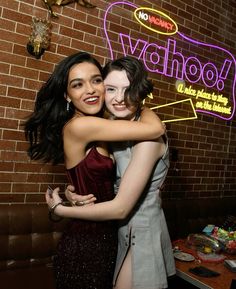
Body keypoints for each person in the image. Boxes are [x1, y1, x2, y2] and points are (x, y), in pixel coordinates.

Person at [24, 52, 165, 289]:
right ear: (67, 95)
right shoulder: (81, 126)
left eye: (96, 80)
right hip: (85, 244)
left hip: (109, 238)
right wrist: (61, 208)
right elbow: (155, 128)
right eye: (78, 85)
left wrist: (72, 193)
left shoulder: (104, 124)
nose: (90, 90)